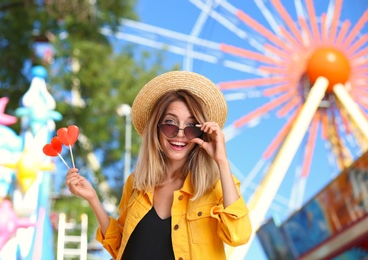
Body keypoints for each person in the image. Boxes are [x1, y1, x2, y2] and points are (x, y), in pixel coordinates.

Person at [65, 71, 252, 260]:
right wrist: (93, 199)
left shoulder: (215, 185)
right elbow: (120, 247)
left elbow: (239, 235)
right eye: (170, 123)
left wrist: (222, 161)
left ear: (201, 134)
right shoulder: (137, 182)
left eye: (191, 127)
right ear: (156, 128)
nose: (180, 134)